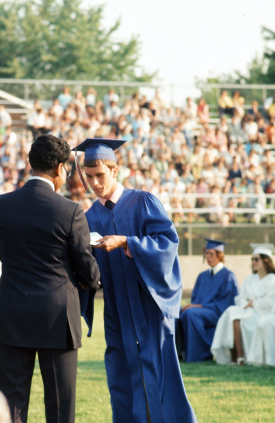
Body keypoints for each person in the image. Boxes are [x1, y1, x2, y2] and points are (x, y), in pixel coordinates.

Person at [72, 138, 198, 423]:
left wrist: (128, 242)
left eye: (100, 175)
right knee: (122, 376)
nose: (95, 183)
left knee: (161, 373)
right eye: (89, 177)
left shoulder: (143, 202)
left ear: (114, 171)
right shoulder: (89, 217)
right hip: (117, 310)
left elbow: (167, 242)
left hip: (149, 304)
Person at [0, 135, 101, 423]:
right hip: (57, 316)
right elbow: (87, 271)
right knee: (61, 407)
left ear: (31, 163)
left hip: (11, 312)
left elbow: (4, 254)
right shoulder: (71, 211)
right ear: (61, 168)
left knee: (10, 406)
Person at [211, 244, 275, 365]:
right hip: (248, 311)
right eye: (252, 259)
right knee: (231, 313)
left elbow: (269, 302)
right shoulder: (249, 279)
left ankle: (238, 357)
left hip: (262, 313)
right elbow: (240, 298)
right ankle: (236, 356)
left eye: (256, 259)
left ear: (266, 261)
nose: (253, 262)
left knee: (237, 318)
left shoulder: (272, 279)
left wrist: (253, 303)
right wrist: (249, 303)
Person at [177, 239, 238, 362]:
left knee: (191, 314)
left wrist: (198, 306)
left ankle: (199, 355)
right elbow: (194, 299)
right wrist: (192, 305)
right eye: (206, 253)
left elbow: (225, 304)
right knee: (176, 312)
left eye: (211, 253)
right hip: (200, 311)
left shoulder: (229, 276)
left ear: (219, 255)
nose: (207, 256)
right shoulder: (202, 275)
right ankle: (178, 353)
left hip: (217, 313)